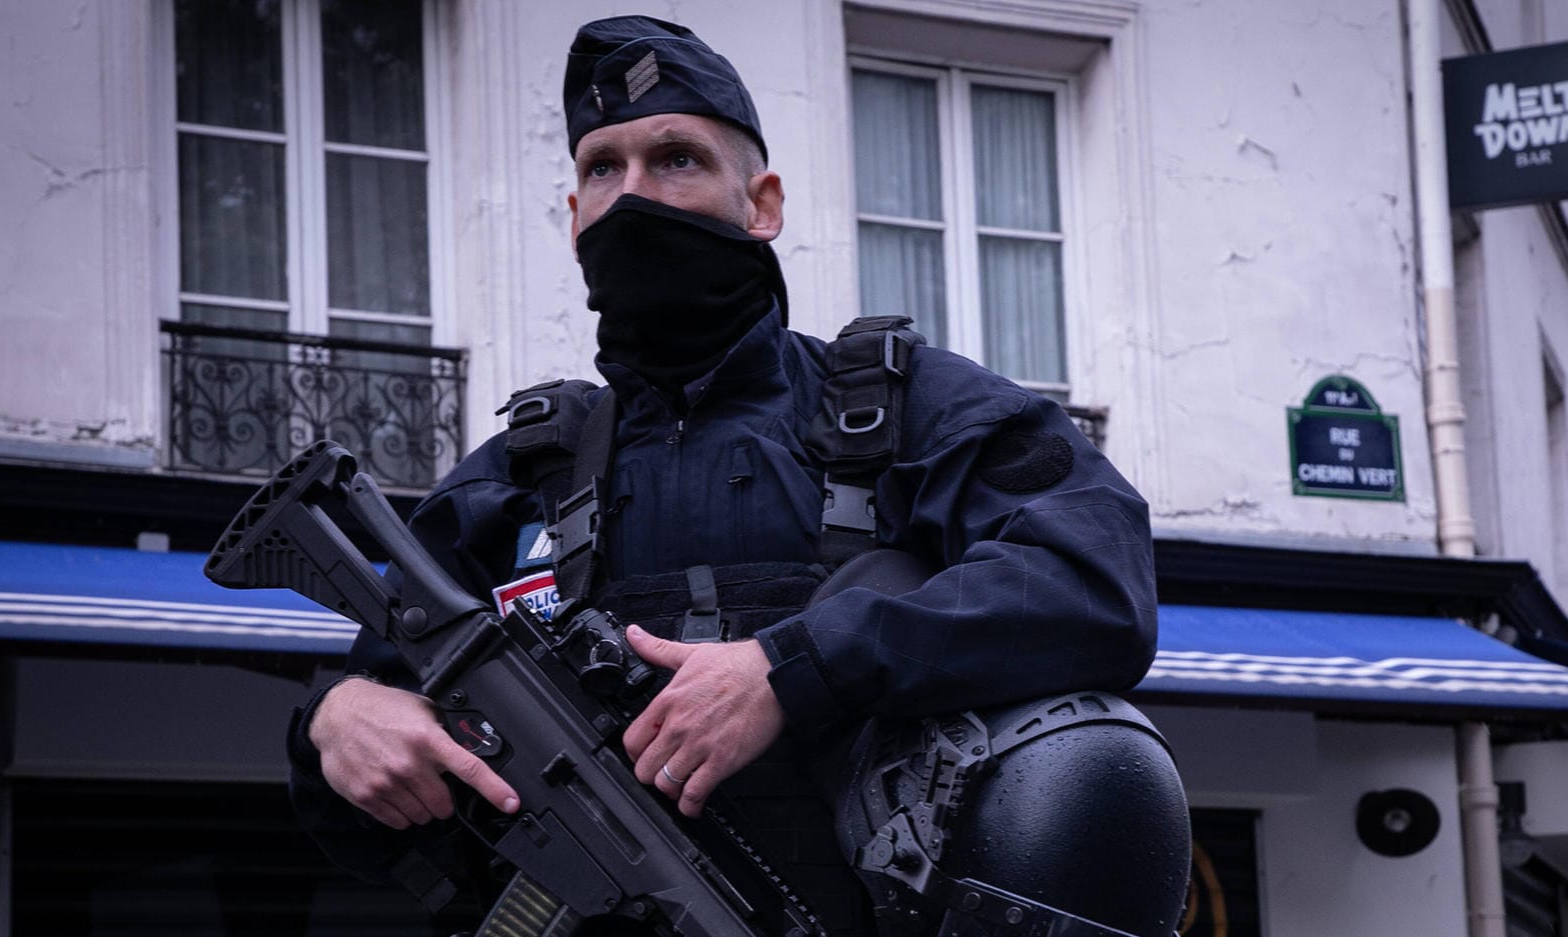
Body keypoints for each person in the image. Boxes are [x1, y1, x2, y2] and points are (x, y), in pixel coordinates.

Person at [287, 14, 1159, 935]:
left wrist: (793, 669)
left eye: (676, 159)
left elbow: (1096, 581)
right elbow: (378, 780)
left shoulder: (910, 412)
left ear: (763, 204)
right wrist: (333, 724)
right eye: (601, 169)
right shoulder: (512, 479)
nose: (633, 199)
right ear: (574, 213)